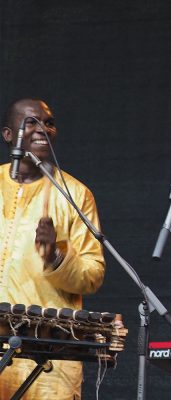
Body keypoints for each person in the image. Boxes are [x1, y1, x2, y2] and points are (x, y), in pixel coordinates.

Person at [0, 98, 105, 399]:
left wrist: (55, 256)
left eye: (48, 122)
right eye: (31, 122)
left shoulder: (75, 194)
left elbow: (92, 274)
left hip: (50, 360)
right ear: (8, 134)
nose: (42, 129)